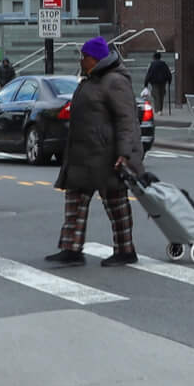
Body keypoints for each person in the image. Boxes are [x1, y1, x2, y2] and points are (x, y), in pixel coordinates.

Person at [46, 37, 142, 269]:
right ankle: (71, 249)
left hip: (106, 155)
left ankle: (125, 250)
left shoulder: (114, 81)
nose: (81, 60)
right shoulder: (93, 79)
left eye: (84, 56)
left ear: (95, 59)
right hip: (84, 155)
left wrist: (124, 153)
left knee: (115, 203)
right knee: (75, 202)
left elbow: (126, 120)